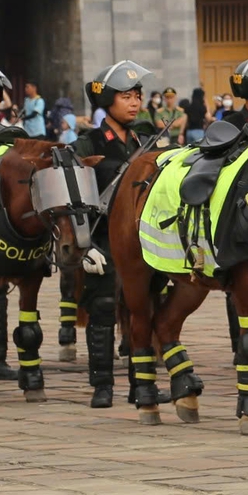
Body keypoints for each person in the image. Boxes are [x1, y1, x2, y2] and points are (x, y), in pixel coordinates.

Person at [73, 60, 155, 409]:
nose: (135, 102)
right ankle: (102, 385)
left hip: (140, 241)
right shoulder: (88, 143)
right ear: (107, 101)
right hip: (102, 238)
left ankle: (143, 385)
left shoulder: (146, 140)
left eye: (137, 95)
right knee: (104, 309)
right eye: (126, 96)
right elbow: (73, 198)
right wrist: (84, 244)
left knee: (144, 310)